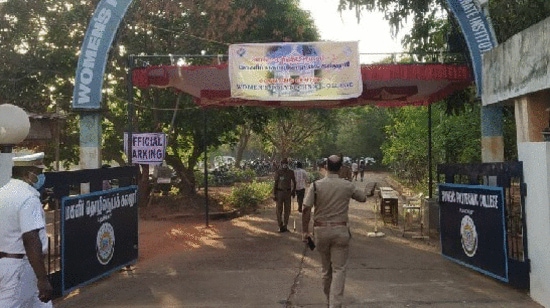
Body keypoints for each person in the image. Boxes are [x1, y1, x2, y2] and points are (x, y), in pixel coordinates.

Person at [301, 154, 367, 308]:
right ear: (341, 168)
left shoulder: (316, 185)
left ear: (326, 166)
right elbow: (363, 198)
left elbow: (306, 209)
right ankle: (334, 304)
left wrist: (305, 231)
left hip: (321, 231)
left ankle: (329, 300)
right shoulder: (347, 185)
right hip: (340, 231)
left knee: (326, 270)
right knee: (339, 269)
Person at [0, 152, 53, 307]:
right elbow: (31, 238)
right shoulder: (28, 198)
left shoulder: (3, 193)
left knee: (42, 304)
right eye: (39, 173)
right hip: (21, 267)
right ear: (27, 174)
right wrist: (42, 278)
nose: (41, 176)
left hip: (9, 264)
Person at [273, 157, 296, 232]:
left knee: (287, 210)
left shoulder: (291, 172)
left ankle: (285, 225)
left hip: (288, 193)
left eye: (286, 163)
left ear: (287, 164)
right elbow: (275, 183)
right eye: (283, 163)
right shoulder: (278, 172)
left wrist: (293, 191)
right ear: (281, 164)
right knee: (279, 210)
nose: (285, 165)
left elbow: (294, 182)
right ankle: (280, 225)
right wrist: (274, 194)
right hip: (279, 193)